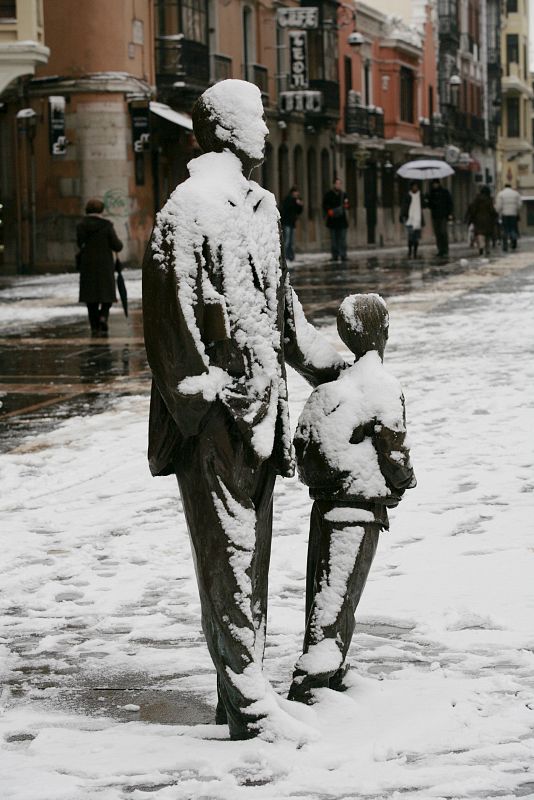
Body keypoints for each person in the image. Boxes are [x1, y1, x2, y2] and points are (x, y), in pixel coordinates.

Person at [142, 79, 345, 741]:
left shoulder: (258, 209)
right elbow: (170, 327)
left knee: (250, 561)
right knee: (226, 562)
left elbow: (280, 317)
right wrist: (210, 408)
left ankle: (240, 698)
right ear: (227, 127)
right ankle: (253, 706)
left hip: (263, 416)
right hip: (216, 421)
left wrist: (332, 358)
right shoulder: (188, 208)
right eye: (256, 116)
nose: (265, 126)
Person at [287, 293, 416, 705]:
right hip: (360, 506)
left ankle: (329, 668)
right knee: (339, 596)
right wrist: (406, 482)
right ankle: (314, 682)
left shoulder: (337, 384)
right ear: (383, 333)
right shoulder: (381, 384)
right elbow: (393, 451)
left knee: (322, 591)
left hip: (325, 503)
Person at [77, 198, 123, 335]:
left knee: (90, 298)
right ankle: (103, 317)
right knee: (106, 295)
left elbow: (80, 243)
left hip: (87, 266)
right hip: (105, 265)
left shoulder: (81, 225)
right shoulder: (107, 225)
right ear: (101, 210)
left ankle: (94, 326)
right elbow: (117, 246)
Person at [322, 178, 349, 262]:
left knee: (342, 239)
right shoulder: (329, 194)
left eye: (339, 184)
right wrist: (329, 211)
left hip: (342, 221)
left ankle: (343, 255)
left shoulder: (343, 194)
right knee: (334, 240)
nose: (338, 185)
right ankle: (335, 255)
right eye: (337, 184)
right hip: (332, 220)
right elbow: (324, 205)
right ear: (334, 184)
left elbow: (348, 205)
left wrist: (346, 205)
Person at [466, 186, 497, 256]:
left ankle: (481, 246)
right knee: (487, 235)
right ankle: (487, 249)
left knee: (480, 234)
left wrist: (471, 218)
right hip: (488, 220)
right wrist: (495, 216)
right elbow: (492, 210)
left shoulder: (476, 199)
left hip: (478, 220)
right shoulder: (489, 200)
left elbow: (472, 209)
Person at [426, 179, 453, 257]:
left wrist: (450, 213)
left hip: (443, 215)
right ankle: (440, 249)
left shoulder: (444, 192)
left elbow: (449, 203)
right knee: (437, 233)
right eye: (433, 184)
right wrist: (428, 199)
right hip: (435, 216)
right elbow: (429, 205)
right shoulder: (431, 193)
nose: (435, 185)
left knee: (443, 232)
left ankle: (445, 249)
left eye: (436, 184)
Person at [400, 182, 424, 258]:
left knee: (416, 238)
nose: (415, 188)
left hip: (418, 219)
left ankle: (415, 252)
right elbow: (404, 206)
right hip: (410, 219)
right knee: (411, 237)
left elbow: (424, 204)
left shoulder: (420, 196)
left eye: (416, 186)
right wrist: (403, 215)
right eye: (414, 187)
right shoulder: (408, 196)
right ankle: (410, 251)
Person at [495, 182, 522, 251]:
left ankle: (505, 245)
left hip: (505, 214)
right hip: (513, 214)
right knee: (513, 228)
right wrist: (516, 210)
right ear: (510, 187)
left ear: (505, 187)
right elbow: (519, 204)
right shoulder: (516, 193)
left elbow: (499, 206)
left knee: (505, 230)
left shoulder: (501, 194)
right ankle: (513, 242)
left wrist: (498, 212)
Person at [280, 186, 303, 262]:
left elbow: (299, 211)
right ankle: (285, 257)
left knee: (292, 241)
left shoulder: (297, 200)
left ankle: (291, 257)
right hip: (287, 223)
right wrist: (295, 202)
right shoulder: (288, 199)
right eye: (296, 192)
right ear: (292, 192)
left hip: (292, 223)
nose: (297, 193)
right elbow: (286, 209)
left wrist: (300, 205)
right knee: (287, 241)